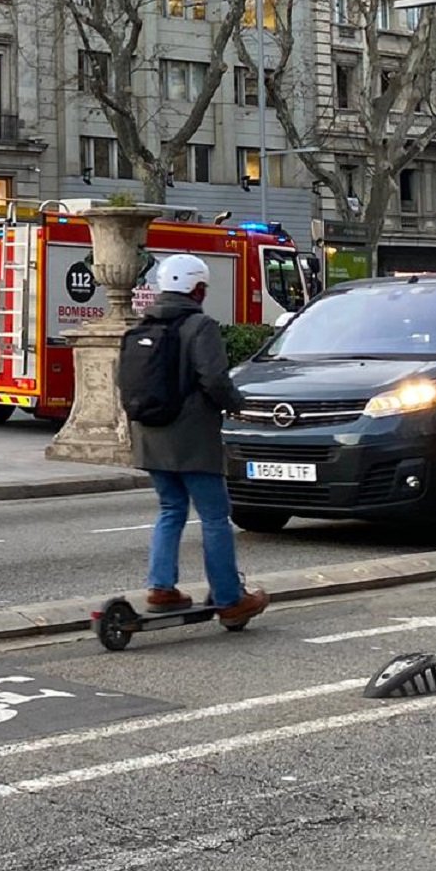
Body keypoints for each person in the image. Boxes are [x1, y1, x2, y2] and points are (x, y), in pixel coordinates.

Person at [123, 255, 268, 626]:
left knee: (170, 510)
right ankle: (229, 598)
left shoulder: (143, 325)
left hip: (150, 436)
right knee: (216, 517)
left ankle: (161, 588)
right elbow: (215, 379)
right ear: (197, 289)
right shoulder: (199, 326)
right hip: (192, 440)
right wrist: (236, 405)